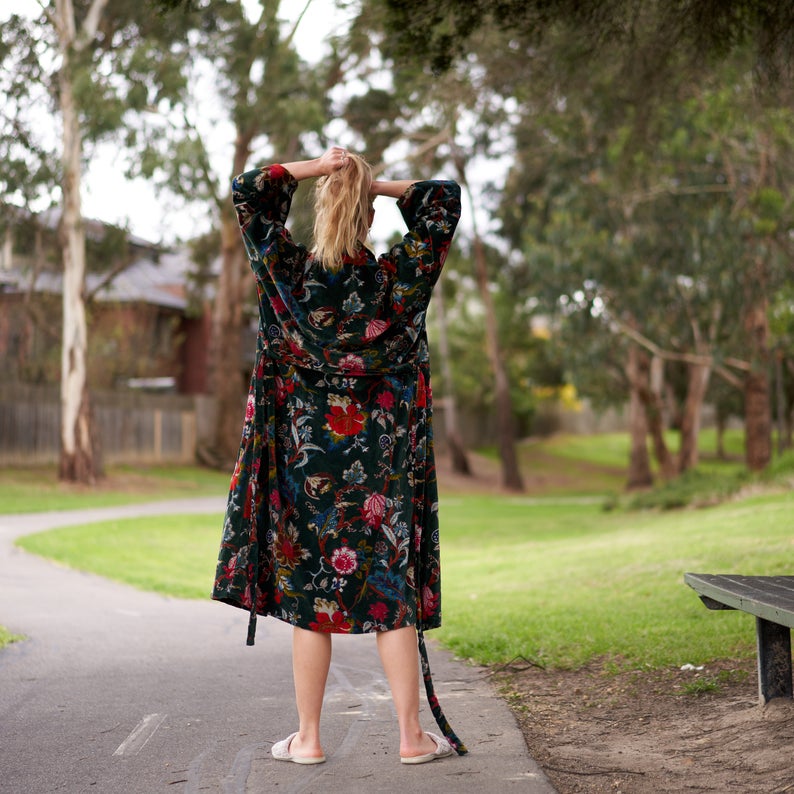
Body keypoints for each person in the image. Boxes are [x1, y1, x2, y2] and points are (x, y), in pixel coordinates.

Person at [212, 145, 465, 765]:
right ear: (369, 220)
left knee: (312, 599)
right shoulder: (395, 281)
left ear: (320, 213)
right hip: (381, 473)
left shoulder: (289, 276)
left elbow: (249, 189)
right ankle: (410, 739)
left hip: (307, 468)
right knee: (389, 598)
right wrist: (373, 185)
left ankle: (309, 739)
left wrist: (320, 171)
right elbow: (442, 200)